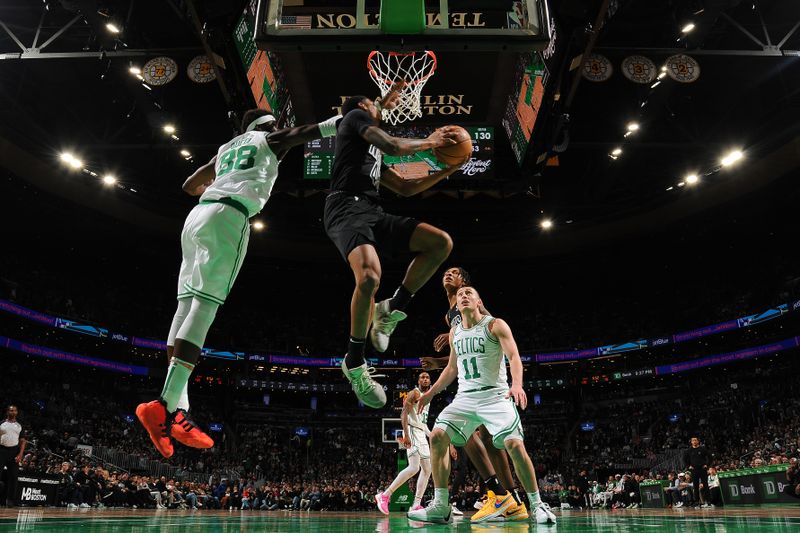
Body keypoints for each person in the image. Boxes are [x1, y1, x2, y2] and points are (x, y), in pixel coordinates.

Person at [137, 109, 342, 458]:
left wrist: (218, 182)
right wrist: (346, 117)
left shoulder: (226, 148)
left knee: (184, 306)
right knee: (204, 307)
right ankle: (163, 405)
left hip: (197, 217)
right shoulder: (268, 138)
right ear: (268, 125)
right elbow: (309, 131)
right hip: (228, 217)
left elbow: (189, 185)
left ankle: (176, 411)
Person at [329, 84, 467, 408]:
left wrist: (448, 169)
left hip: (372, 211)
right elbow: (390, 142)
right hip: (345, 209)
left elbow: (404, 188)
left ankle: (389, 309)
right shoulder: (354, 119)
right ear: (364, 106)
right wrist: (432, 142)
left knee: (440, 243)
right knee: (369, 277)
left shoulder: (369, 147)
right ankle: (354, 361)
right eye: (373, 108)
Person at [409, 286, 557, 524]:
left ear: (479, 301)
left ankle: (538, 505)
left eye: (469, 293)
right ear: (456, 306)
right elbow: (451, 370)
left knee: (514, 445)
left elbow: (514, 357)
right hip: (465, 398)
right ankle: (440, 505)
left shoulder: (495, 325)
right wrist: (430, 394)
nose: (464, 296)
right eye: (460, 295)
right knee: (437, 435)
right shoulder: (455, 332)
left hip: (496, 396)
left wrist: (517, 384)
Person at [421, 267, 526, 518]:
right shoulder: (450, 314)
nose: (447, 275)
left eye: (454, 272)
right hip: (469, 384)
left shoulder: (471, 302)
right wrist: (440, 362)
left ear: (464, 281)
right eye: (445, 272)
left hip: (491, 381)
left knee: (489, 439)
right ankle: (501, 493)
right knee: (468, 435)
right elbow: (464, 349)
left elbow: (487, 336)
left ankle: (509, 496)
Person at [376, 372, 434, 514]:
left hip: (420, 432)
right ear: (418, 381)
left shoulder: (428, 397)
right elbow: (403, 414)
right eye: (422, 377)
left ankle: (416, 504)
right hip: (412, 430)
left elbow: (423, 423)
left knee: (427, 469)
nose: (425, 379)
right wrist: (406, 435)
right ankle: (385, 495)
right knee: (414, 468)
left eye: (427, 377)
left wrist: (432, 436)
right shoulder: (414, 393)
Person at [0, 405, 26, 507]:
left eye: (14, 410)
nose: (12, 412)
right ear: (7, 412)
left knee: (14, 477)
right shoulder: (2, 423)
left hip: (14, 451)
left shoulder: (19, 426)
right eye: (11, 410)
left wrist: (20, 454)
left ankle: (10, 500)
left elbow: (23, 441)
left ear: (17, 412)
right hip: (1, 450)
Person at [683, 437, 710, 506]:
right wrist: (688, 466)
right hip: (694, 470)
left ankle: (708, 501)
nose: (694, 441)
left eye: (695, 440)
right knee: (695, 486)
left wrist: (707, 465)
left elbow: (710, 457)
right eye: (693, 440)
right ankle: (697, 502)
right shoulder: (689, 450)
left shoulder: (702, 449)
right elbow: (684, 459)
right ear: (691, 442)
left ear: (698, 441)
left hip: (702, 469)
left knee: (705, 485)